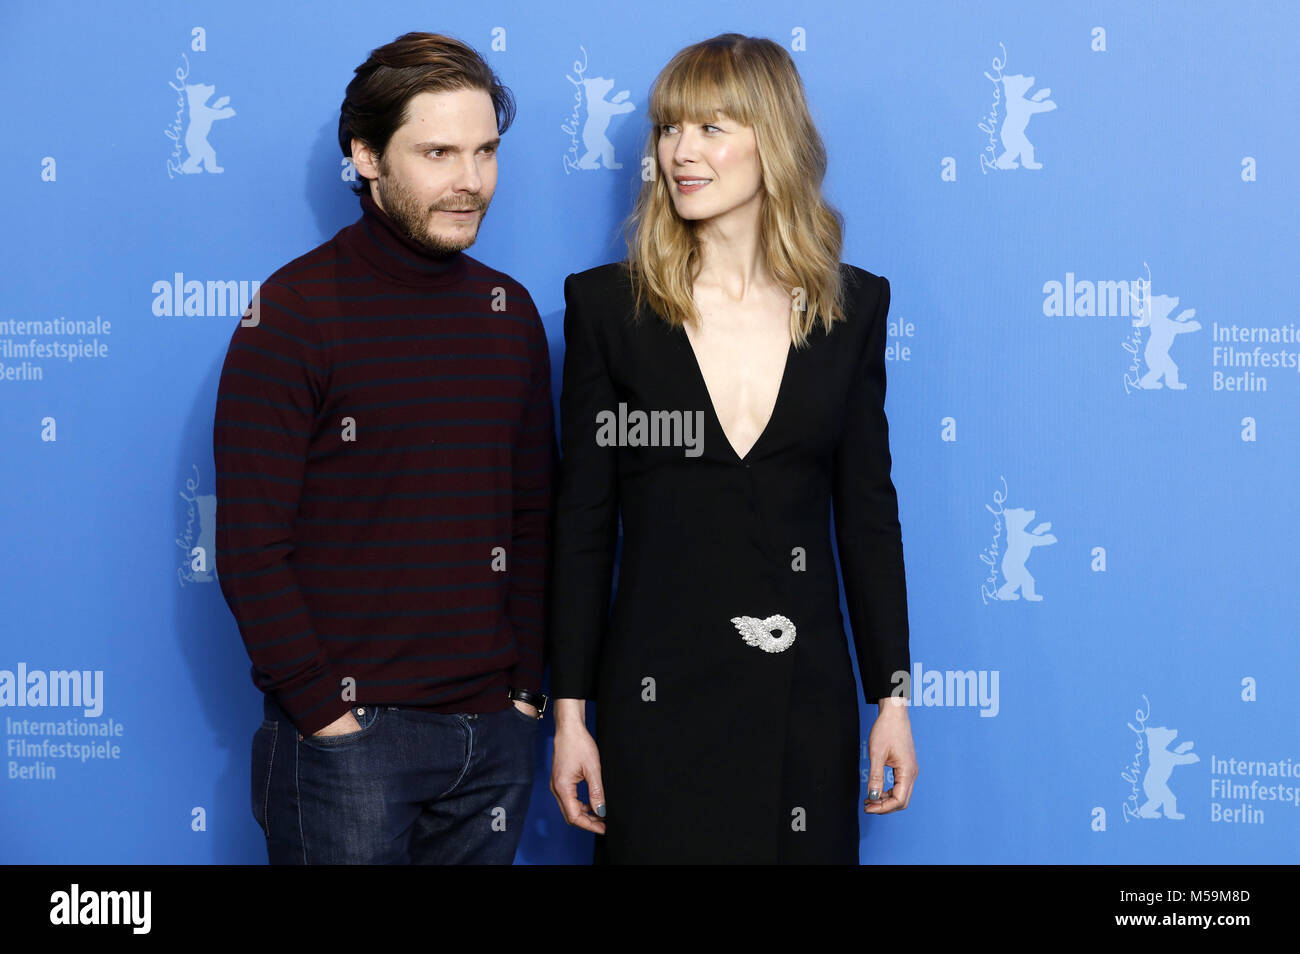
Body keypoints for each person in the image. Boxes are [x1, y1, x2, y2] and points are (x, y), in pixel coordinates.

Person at [547, 33, 918, 864]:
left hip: (804, 696)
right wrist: (570, 715)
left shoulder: (851, 310)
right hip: (657, 694)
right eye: (669, 129)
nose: (681, 152)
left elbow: (867, 516)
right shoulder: (607, 308)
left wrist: (891, 698)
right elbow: (582, 524)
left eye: (712, 128)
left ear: (773, 140)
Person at [213, 32, 555, 864]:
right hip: (350, 747)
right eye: (437, 152)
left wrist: (525, 695)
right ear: (365, 156)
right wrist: (325, 715)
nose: (469, 181)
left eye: (485, 152)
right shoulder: (292, 314)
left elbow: (534, 517)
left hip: (494, 740)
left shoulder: (509, 316)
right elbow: (252, 544)